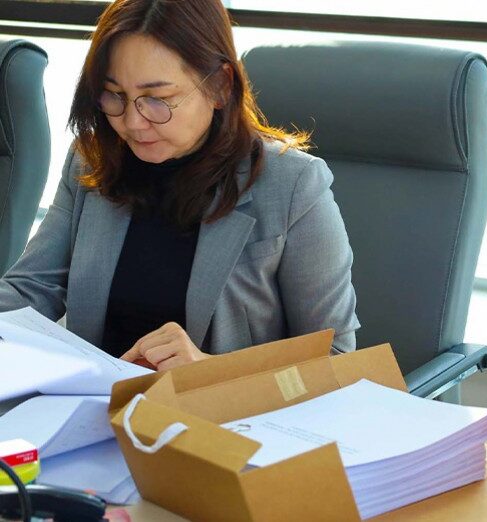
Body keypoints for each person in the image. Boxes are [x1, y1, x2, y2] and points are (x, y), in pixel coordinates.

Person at [0, 0, 359, 370]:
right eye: (114, 95)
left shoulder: (293, 184)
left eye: (158, 99)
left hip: (215, 406)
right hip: (93, 399)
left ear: (220, 85)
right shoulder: (91, 160)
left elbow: (335, 359)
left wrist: (207, 371)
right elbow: (32, 289)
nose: (133, 122)